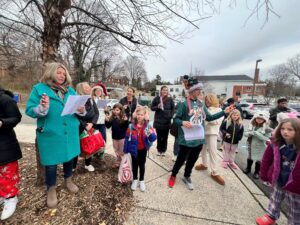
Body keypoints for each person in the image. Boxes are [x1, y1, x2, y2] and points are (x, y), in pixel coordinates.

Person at [26, 62, 81, 208]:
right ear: (51, 72)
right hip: (51, 133)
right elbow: (30, 110)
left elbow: (77, 109)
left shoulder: (70, 90)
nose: (62, 75)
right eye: (59, 72)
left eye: (64, 73)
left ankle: (68, 180)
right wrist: (42, 108)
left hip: (70, 131)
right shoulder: (39, 89)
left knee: (69, 157)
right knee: (51, 163)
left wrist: (80, 109)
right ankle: (51, 188)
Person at [168, 78, 232, 190]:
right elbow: (176, 119)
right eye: (198, 90)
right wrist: (182, 122)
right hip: (186, 139)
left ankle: (187, 176)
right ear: (192, 91)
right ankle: (173, 175)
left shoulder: (201, 104)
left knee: (192, 160)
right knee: (180, 160)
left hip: (198, 139)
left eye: (200, 90)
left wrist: (224, 112)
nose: (200, 92)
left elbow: (210, 117)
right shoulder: (183, 104)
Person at [256, 118, 300, 225]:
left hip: (295, 185)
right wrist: (264, 174)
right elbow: (266, 159)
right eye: (283, 129)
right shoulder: (275, 144)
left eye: (290, 129)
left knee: (295, 208)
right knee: (275, 199)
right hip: (278, 179)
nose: (285, 132)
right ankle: (271, 215)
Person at [0, 88, 22, 220]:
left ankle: (11, 198)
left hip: (5, 143)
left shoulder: (5, 99)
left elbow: (16, 117)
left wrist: (2, 122)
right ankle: (2, 194)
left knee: (8, 172)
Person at [123, 106, 156, 192]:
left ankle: (141, 180)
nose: (139, 116)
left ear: (145, 116)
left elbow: (153, 138)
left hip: (143, 149)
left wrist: (148, 127)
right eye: (138, 114)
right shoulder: (131, 126)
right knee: (134, 165)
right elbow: (127, 138)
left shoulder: (147, 126)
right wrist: (125, 150)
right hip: (134, 149)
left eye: (141, 114)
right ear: (135, 115)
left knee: (142, 165)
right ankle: (135, 180)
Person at [195, 94, 225, 185]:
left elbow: (216, 122)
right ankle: (204, 164)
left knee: (213, 152)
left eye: (209, 100)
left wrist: (206, 118)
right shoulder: (205, 109)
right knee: (203, 150)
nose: (207, 102)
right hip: (203, 133)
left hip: (212, 133)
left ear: (213, 100)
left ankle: (215, 172)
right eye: (206, 100)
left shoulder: (219, 110)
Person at [73, 82, 99, 172]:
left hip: (90, 126)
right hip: (79, 127)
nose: (89, 89)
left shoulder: (91, 99)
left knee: (90, 144)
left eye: (89, 87)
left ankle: (88, 164)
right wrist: (84, 125)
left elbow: (97, 113)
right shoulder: (76, 100)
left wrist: (92, 123)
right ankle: (73, 166)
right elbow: (75, 116)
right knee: (76, 147)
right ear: (81, 89)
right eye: (86, 88)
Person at [243, 111, 272, 179]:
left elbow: (266, 138)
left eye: (261, 119)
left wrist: (257, 134)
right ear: (255, 118)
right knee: (250, 156)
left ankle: (257, 172)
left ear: (264, 120)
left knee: (259, 159)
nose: (259, 120)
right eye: (258, 118)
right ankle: (248, 168)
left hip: (260, 146)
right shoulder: (251, 125)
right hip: (250, 143)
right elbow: (245, 133)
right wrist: (250, 133)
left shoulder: (267, 128)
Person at [151, 86, 174, 156]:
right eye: (163, 90)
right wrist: (157, 107)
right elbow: (152, 108)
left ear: (168, 92)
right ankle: (159, 150)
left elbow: (173, 109)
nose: (165, 91)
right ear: (161, 91)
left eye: (166, 90)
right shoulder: (156, 98)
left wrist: (170, 116)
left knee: (165, 137)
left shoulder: (170, 99)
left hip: (166, 122)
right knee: (159, 137)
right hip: (158, 122)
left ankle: (163, 150)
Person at [105, 103, 129, 168]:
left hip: (122, 138)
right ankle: (118, 162)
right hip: (114, 137)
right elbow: (108, 126)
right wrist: (106, 120)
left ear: (121, 111)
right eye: (114, 110)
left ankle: (123, 162)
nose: (116, 111)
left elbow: (126, 127)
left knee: (122, 151)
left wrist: (126, 121)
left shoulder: (123, 118)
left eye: (117, 110)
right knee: (116, 150)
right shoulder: (112, 118)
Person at [91, 85, 109, 163]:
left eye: (100, 91)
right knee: (93, 138)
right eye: (96, 90)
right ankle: (94, 152)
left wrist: (106, 113)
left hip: (102, 122)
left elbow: (104, 111)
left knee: (103, 137)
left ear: (102, 92)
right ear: (94, 91)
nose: (98, 92)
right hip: (94, 122)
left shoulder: (102, 100)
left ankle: (101, 152)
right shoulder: (91, 99)